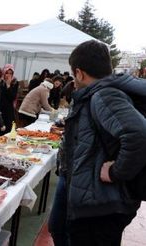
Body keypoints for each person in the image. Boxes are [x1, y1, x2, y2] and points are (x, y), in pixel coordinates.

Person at [64, 40, 146, 245]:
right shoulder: (103, 92)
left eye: (74, 74)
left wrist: (115, 172)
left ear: (79, 73)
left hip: (101, 205)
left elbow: (139, 134)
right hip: (100, 201)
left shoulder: (103, 95)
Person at [0, 64, 19, 133]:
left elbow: (12, 97)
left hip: (9, 110)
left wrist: (8, 85)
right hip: (0, 109)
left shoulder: (15, 82)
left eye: (11, 73)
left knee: (8, 129)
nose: (8, 75)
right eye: (7, 73)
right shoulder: (0, 82)